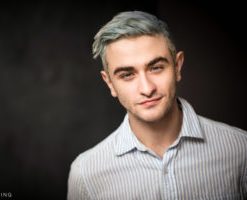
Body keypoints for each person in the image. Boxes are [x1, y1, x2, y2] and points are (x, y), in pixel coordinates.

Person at [67, 11, 247, 199]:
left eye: (156, 67)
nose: (147, 88)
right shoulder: (86, 174)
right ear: (110, 83)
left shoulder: (241, 151)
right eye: (127, 75)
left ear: (177, 66)